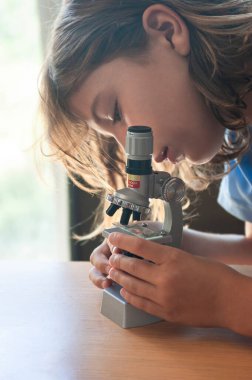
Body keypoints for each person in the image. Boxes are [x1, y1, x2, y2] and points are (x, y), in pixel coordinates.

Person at [39, 1, 252, 336]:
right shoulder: (241, 145)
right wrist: (170, 245)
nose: (128, 147)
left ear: (167, 31)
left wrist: (224, 300)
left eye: (115, 113)